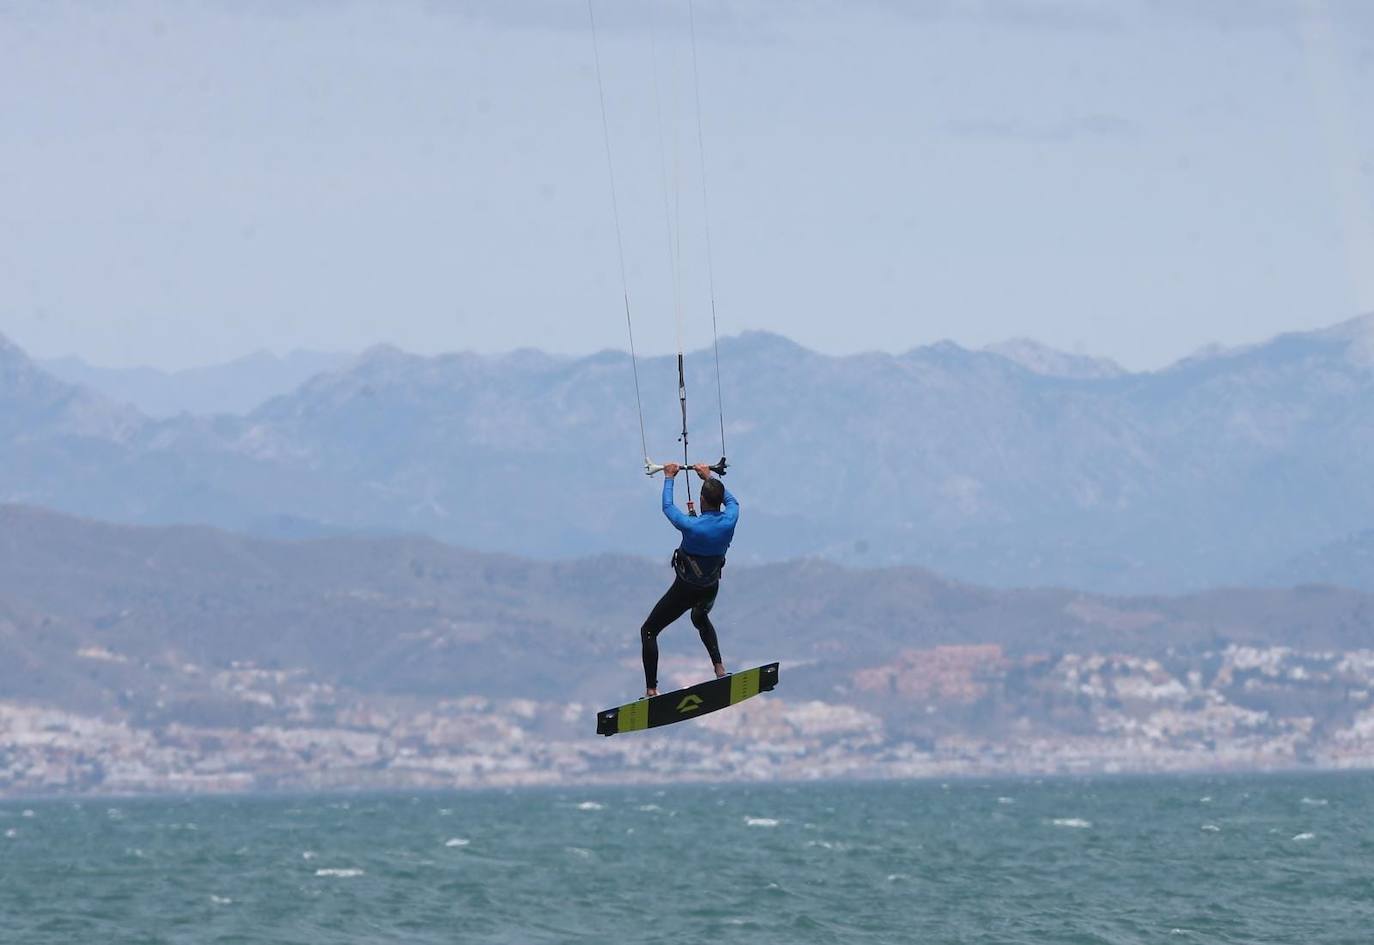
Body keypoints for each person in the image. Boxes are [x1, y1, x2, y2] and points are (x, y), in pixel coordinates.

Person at [639, 462, 740, 697]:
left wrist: (669, 477)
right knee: (700, 616)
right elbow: (733, 501)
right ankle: (719, 669)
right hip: (710, 588)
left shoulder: (691, 526)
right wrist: (709, 477)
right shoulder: (730, 519)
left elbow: (667, 506)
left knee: (649, 631)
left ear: (703, 500)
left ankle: (652, 690)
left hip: (686, 589)